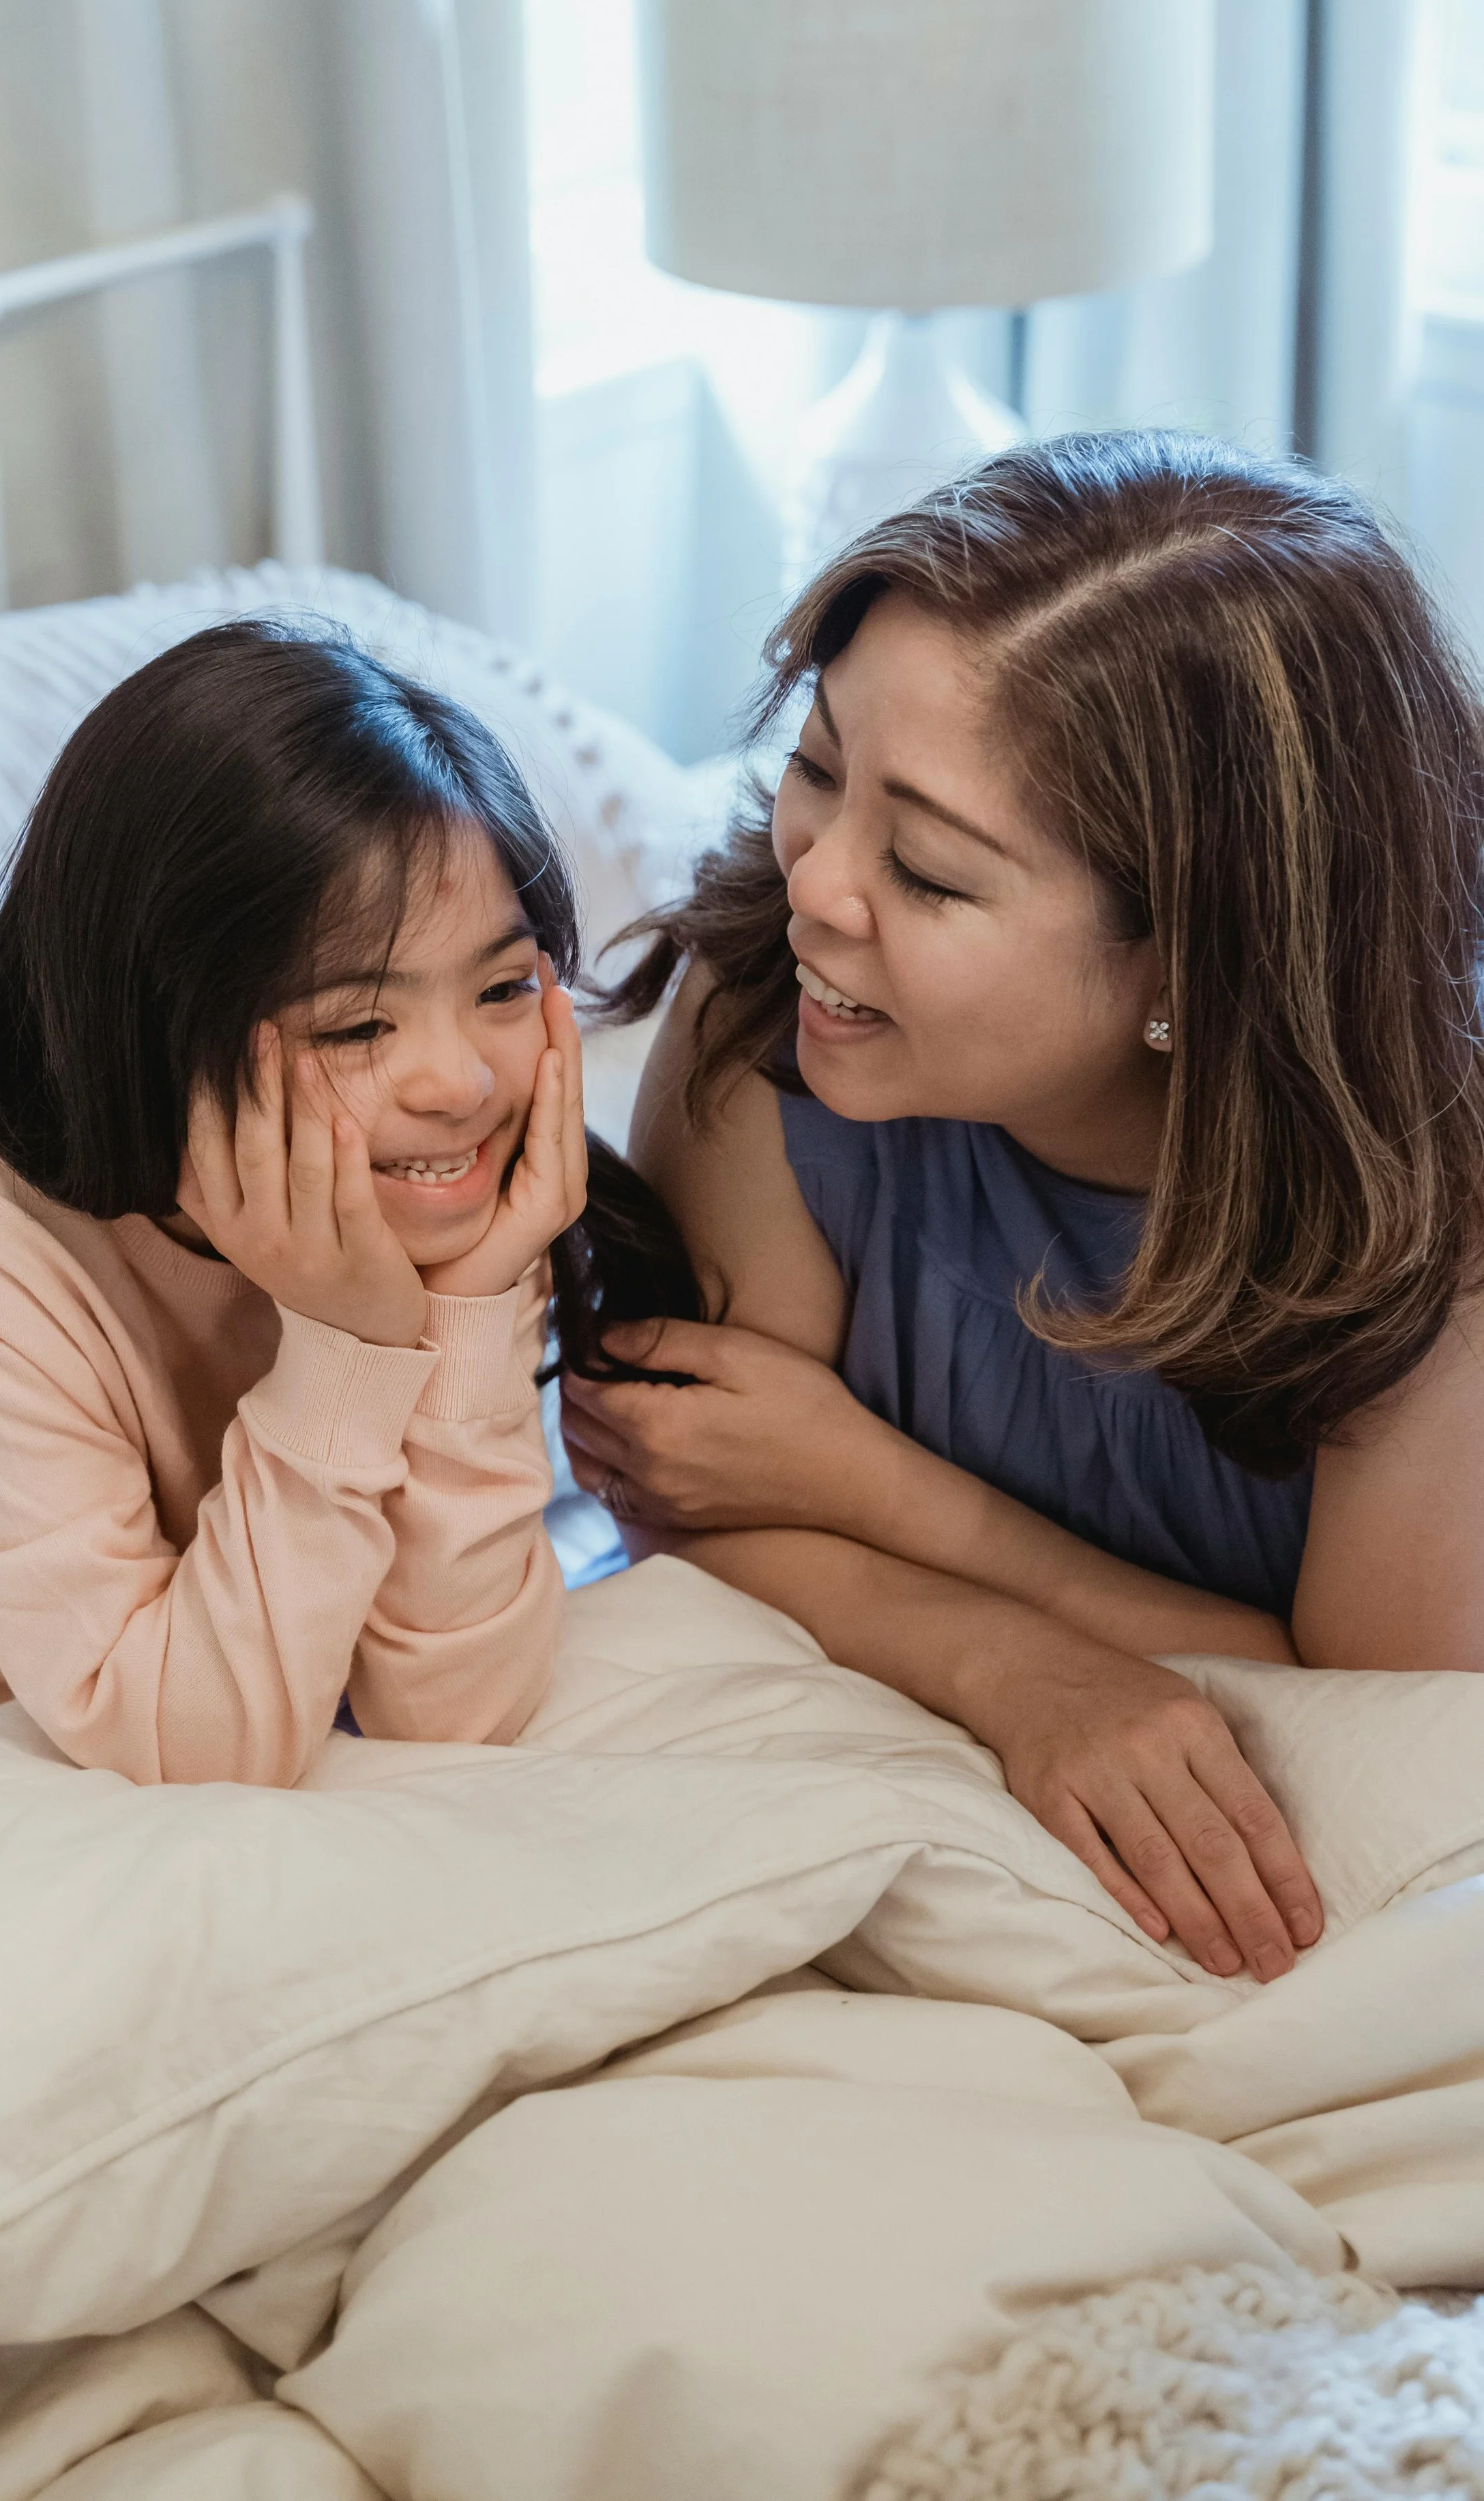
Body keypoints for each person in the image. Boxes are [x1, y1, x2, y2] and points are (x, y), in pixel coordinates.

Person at [562, 430, 1484, 1985]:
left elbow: (1379, 1713)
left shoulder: (1428, 1206)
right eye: (815, 770)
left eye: (925, 872)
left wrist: (872, 1487)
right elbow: (691, 1497)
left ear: (1190, 966)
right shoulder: (767, 1012)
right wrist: (1013, 1666)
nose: (813, 884)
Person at [0, 619, 610, 1787]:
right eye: (360, 1023)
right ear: (158, 1018)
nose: (463, 1082)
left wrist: (469, 1310)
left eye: (505, 985)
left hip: (278, 1733)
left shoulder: (443, 1180)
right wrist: (345, 1345)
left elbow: (460, 1708)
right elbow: (186, 1751)